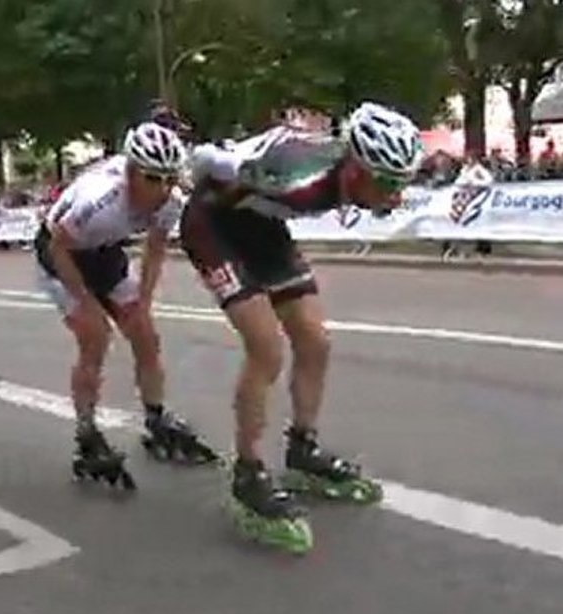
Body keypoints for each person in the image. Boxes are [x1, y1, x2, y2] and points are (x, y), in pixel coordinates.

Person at [182, 102, 425, 553]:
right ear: (356, 170)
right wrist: (213, 161)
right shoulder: (296, 167)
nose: (396, 196)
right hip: (212, 227)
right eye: (390, 183)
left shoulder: (332, 172)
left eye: (403, 183)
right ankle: (248, 472)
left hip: (263, 225)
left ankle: (302, 448)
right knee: (266, 349)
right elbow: (205, 162)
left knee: (315, 340)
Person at [34, 121, 216, 490]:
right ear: (131, 172)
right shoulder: (99, 200)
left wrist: (143, 302)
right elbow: (58, 247)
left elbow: (155, 249)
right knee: (95, 337)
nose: (162, 189)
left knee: (145, 335)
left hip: (104, 254)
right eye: (152, 179)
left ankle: (156, 417)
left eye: (169, 179)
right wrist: (85, 301)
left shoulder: (170, 200)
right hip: (60, 255)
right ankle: (87, 434)